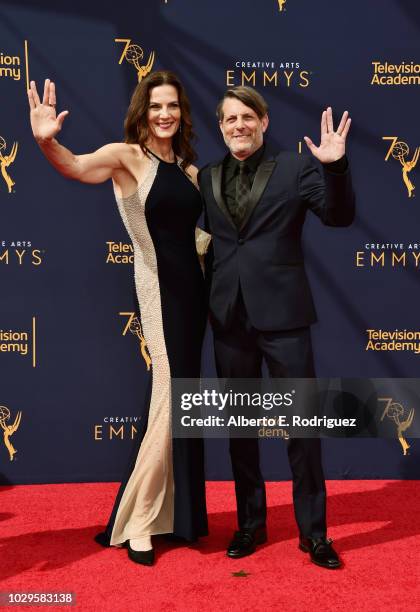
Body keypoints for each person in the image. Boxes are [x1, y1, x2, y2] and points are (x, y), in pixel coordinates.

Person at [27, 70, 208, 566]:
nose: (164, 114)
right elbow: (76, 166)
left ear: (182, 113)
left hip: (195, 297)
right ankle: (140, 523)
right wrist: (47, 143)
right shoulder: (128, 157)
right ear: (141, 112)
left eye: (172, 105)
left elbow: (199, 237)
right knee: (170, 402)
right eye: (155, 106)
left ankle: (175, 515)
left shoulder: (191, 171)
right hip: (159, 291)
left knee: (179, 405)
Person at [198, 86, 355, 569]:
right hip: (229, 317)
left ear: (263, 122)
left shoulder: (295, 166)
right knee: (240, 429)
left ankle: (315, 533)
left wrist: (334, 166)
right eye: (229, 119)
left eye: (247, 117)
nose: (238, 125)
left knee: (302, 428)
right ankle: (250, 524)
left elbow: (339, 215)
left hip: (284, 317)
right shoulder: (206, 176)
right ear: (220, 126)